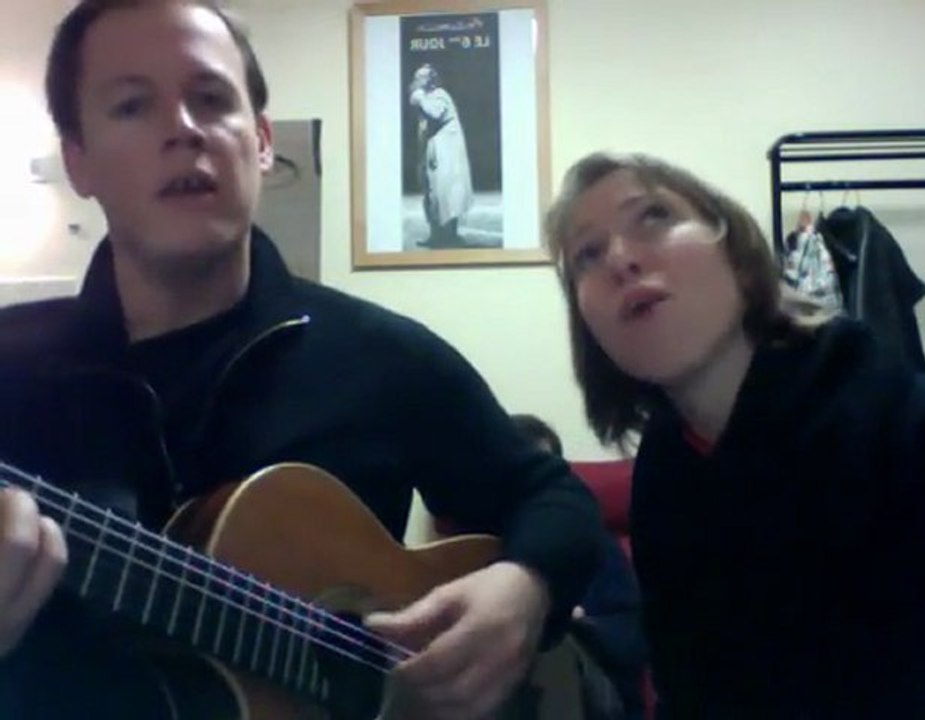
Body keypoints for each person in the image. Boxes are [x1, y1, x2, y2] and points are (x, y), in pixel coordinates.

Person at [0, 2, 603, 718]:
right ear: (78, 160)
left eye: (212, 98)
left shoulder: (380, 356)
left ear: (258, 140)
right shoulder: (13, 367)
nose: (184, 129)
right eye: (132, 106)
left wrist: (523, 590)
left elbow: (553, 500)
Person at [545, 151, 925, 718]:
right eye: (587, 253)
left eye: (653, 217)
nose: (620, 259)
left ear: (736, 253)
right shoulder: (665, 483)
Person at [511, 414, 647, 720]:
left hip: (591, 688)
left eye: (540, 471)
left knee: (554, 648)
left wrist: (580, 626)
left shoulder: (592, 542)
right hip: (499, 687)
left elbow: (633, 636)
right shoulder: (473, 545)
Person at [408, 63, 473, 248]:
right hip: (433, 152)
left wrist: (420, 99)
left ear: (431, 80)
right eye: (416, 77)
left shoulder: (439, 95)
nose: (417, 81)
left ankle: (450, 236)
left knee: (447, 193)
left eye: (421, 77)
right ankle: (435, 236)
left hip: (447, 154)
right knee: (431, 194)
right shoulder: (426, 97)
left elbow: (435, 113)